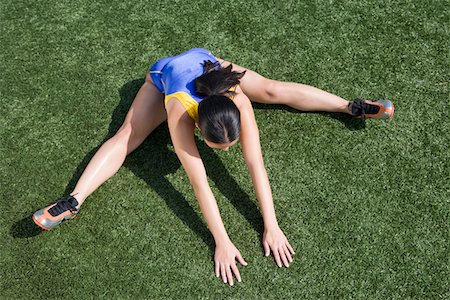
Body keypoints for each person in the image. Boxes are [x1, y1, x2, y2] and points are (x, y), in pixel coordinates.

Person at [32, 48, 394, 286]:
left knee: (269, 88)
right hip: (166, 75)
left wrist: (272, 224)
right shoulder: (178, 112)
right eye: (217, 146)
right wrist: (222, 241)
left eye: (230, 143)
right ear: (198, 131)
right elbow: (200, 184)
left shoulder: (237, 99)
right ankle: (73, 200)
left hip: (210, 67)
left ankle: (352, 106)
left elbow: (256, 165)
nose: (226, 151)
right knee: (130, 134)